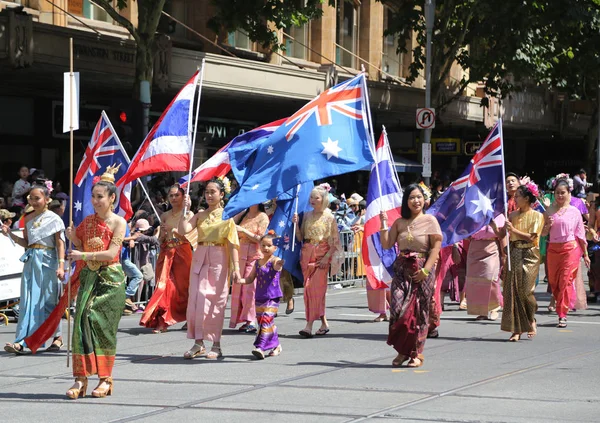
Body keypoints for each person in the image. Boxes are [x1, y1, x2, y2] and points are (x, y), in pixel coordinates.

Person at [64, 165, 127, 399]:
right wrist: (74, 239)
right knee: (81, 324)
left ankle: (105, 378)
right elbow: (81, 246)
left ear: (112, 198)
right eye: (93, 196)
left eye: (99, 197)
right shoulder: (87, 222)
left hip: (110, 280)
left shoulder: (118, 223)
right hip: (89, 278)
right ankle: (80, 378)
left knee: (100, 325)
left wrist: (83, 255)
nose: (95, 201)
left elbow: (111, 254)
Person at [379, 184, 442, 367]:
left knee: (419, 311)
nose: (416, 201)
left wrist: (426, 270)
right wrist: (384, 225)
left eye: (419, 197)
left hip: (422, 268)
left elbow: (435, 247)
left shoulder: (430, 220)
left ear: (424, 200)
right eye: (412, 198)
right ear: (406, 201)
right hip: (401, 269)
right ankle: (402, 350)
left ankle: (416, 353)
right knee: (398, 309)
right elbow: (387, 244)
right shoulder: (399, 222)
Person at [178, 177, 241, 359]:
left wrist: (236, 267)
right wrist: (186, 210)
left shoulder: (227, 216)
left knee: (215, 301)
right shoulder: (199, 215)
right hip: (200, 257)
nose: (209, 195)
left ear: (222, 195)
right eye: (207, 192)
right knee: (197, 300)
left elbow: (232, 243)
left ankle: (216, 344)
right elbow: (183, 230)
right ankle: (198, 343)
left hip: (219, 258)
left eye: (213, 192)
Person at [1, 182, 65, 354]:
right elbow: (27, 244)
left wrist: (61, 266)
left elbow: (60, 243)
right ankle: (23, 341)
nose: (34, 201)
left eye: (37, 198)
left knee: (49, 301)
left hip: (49, 262)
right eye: (31, 198)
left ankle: (57, 337)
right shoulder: (28, 219)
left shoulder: (54, 219)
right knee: (29, 302)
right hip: (31, 262)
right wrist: (11, 234)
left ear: (47, 199)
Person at [493, 185, 544, 341]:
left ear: (527, 198)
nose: (514, 199)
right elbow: (502, 234)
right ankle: (516, 329)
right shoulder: (512, 215)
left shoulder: (537, 216)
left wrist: (513, 230)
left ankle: (530, 319)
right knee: (512, 289)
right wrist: (494, 225)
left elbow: (532, 237)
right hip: (514, 251)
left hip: (530, 253)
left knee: (526, 290)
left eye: (518, 196)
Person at [140, 184, 193, 333]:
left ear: (183, 197)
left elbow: (189, 235)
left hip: (183, 252)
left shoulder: (188, 215)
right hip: (167, 252)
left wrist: (173, 230)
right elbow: (160, 240)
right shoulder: (164, 216)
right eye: (171, 195)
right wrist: (162, 233)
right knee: (163, 286)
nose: (174, 198)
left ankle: (189, 317)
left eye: (177, 195)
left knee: (183, 289)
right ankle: (162, 321)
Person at [293, 184, 342, 338]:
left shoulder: (329, 217)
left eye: (316, 197)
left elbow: (335, 242)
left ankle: (308, 325)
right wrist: (296, 224)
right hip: (307, 255)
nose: (313, 200)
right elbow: (301, 238)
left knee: (312, 290)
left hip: (322, 256)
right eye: (311, 197)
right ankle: (324, 323)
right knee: (312, 292)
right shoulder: (306, 215)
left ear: (323, 199)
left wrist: (326, 258)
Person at [543, 179, 589, 328]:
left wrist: (586, 254)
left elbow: (580, 234)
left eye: (563, 193)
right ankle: (560, 304)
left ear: (569, 193)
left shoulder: (575, 212)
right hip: (553, 250)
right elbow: (543, 233)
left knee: (565, 281)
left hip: (570, 249)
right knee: (554, 283)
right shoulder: (549, 211)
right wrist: (548, 225)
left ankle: (562, 314)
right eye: (557, 193)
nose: (560, 196)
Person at [236, 230, 284, 359]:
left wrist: (280, 264)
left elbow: (277, 267)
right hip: (259, 297)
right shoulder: (257, 262)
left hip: (272, 297)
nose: (266, 248)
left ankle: (260, 347)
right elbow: (250, 278)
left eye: (269, 245)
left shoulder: (276, 260)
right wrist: (240, 280)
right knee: (266, 323)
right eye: (263, 245)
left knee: (266, 320)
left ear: (275, 247)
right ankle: (277, 345)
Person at [229, 204, 269, 332]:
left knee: (249, 288)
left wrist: (244, 231)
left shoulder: (263, 217)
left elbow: (262, 239)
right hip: (240, 255)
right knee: (238, 288)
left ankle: (251, 320)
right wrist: (240, 212)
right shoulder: (243, 215)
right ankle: (243, 319)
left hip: (254, 256)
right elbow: (229, 225)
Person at [464, 214, 505, 320]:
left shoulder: (498, 215)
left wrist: (504, 254)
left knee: (490, 278)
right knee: (476, 280)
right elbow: (465, 232)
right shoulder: (473, 212)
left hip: (491, 246)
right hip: (475, 247)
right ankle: (482, 311)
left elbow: (502, 236)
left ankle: (494, 308)